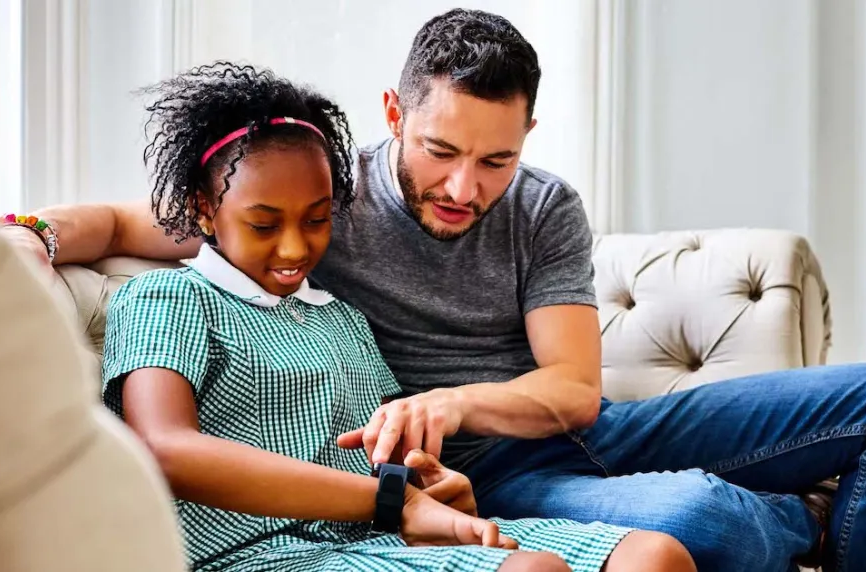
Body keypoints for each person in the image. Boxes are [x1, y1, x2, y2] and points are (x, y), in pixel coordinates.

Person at [0, 8, 866, 572]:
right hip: (476, 471)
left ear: (529, 136)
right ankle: (818, 516)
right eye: (443, 152)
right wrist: (34, 235)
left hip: (563, 425)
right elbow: (151, 220)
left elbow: (573, 391)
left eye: (496, 158)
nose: (466, 188)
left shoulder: (538, 208)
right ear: (395, 117)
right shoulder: (318, 201)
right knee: (702, 522)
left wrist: (448, 401)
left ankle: (842, 497)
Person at [84, 61, 695, 572]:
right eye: (265, 225)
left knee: (654, 557)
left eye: (319, 219)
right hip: (260, 554)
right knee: (533, 570)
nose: (296, 248)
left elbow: (386, 459)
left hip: (378, 538)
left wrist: (429, 481)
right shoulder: (167, 299)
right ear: (203, 208)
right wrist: (390, 501)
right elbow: (164, 448)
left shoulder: (342, 318)